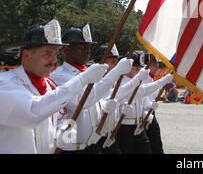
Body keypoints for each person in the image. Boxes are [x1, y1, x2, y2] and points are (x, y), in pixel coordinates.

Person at [0, 20, 107, 154]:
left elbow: (59, 119)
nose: (54, 60)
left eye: (55, 54)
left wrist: (62, 136)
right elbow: (34, 112)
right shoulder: (4, 84)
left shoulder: (49, 86)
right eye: (47, 54)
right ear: (26, 55)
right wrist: (82, 80)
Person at [50, 25, 133, 154]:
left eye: (88, 47)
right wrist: (116, 72)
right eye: (81, 47)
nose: (87, 50)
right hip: (71, 147)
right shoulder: (60, 76)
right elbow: (82, 101)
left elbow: (100, 98)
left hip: (92, 144)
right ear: (66, 49)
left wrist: (107, 107)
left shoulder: (91, 72)